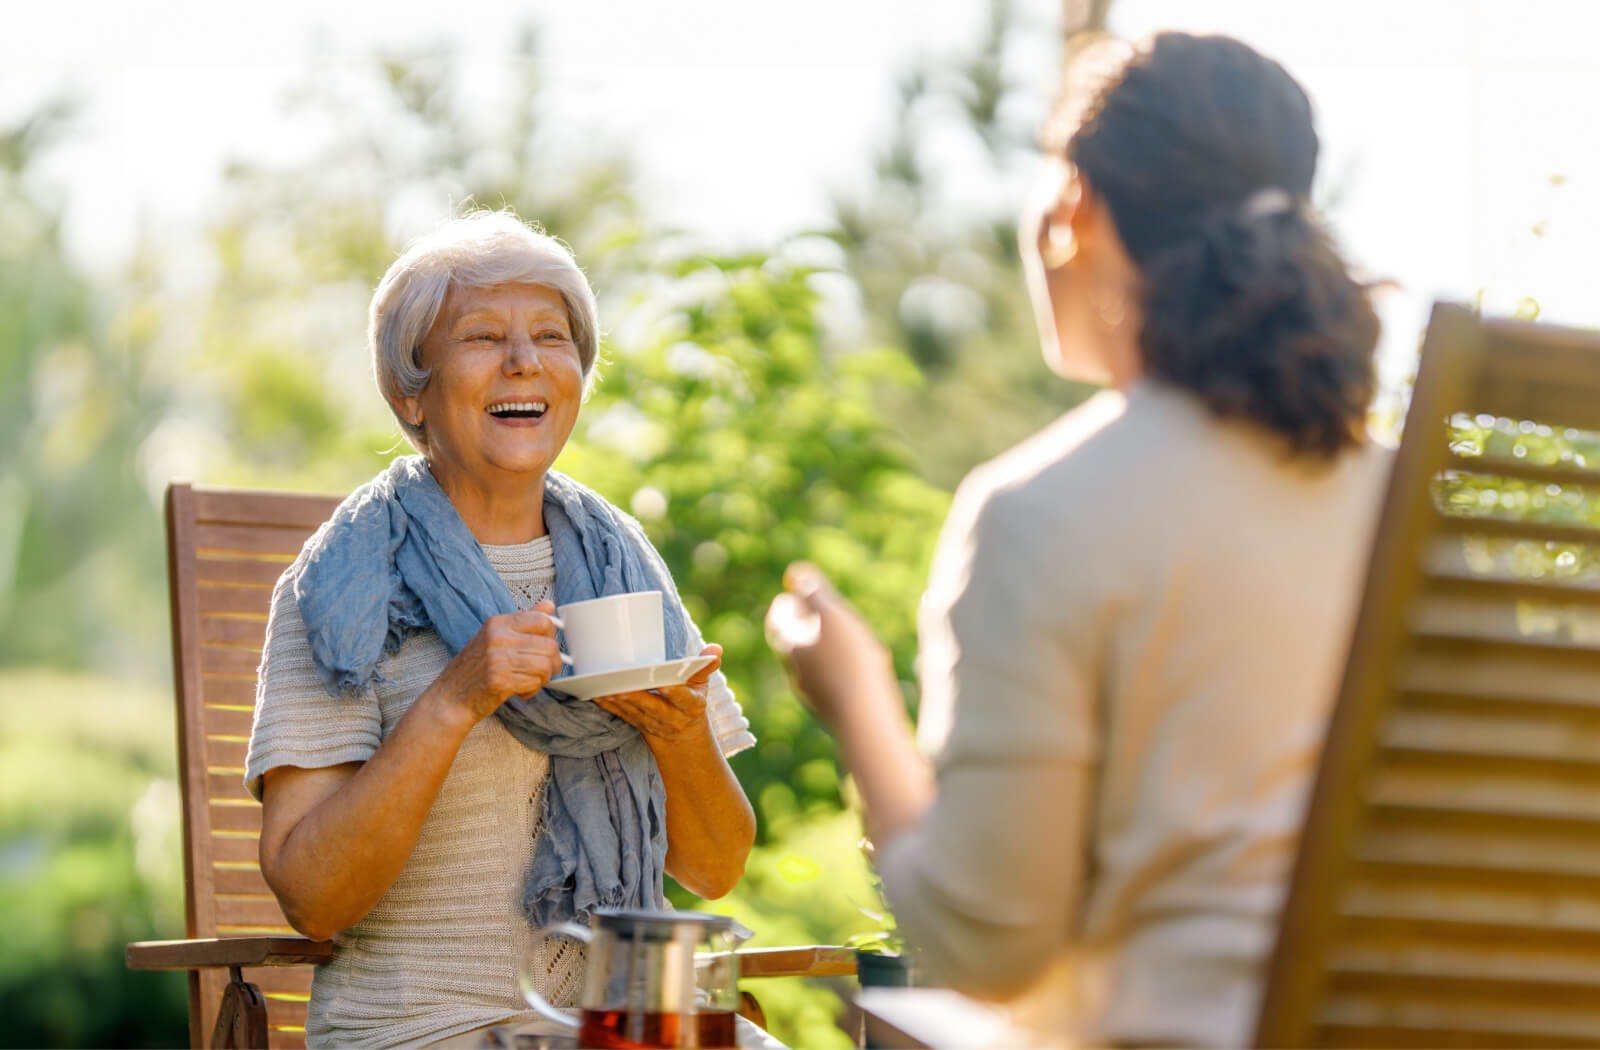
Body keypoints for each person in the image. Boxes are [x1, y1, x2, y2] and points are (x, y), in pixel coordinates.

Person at [768, 32, 1392, 1048]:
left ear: (1077, 210)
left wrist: (858, 701)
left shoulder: (1041, 511)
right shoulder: (1416, 506)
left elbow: (986, 949)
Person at [245, 211, 757, 1048]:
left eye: (551, 336)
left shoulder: (620, 559)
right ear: (409, 389)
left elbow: (714, 867)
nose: (525, 360)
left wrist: (682, 735)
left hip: (620, 1023)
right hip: (422, 1027)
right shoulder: (343, 583)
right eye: (483, 335)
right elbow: (313, 896)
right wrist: (453, 700)